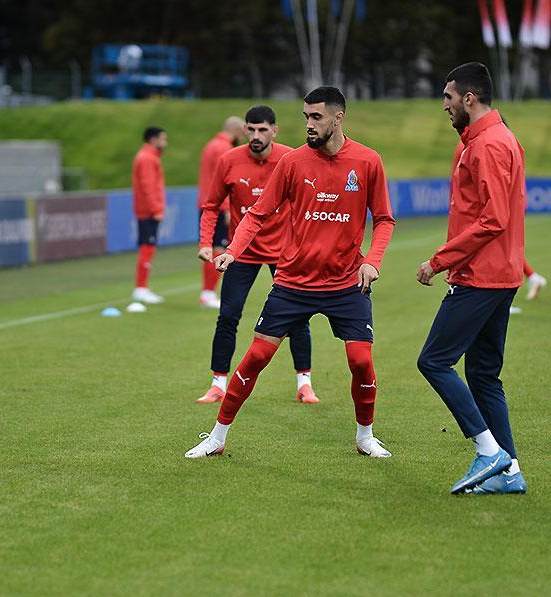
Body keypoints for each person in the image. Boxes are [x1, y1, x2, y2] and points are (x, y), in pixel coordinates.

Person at [185, 87, 395, 459]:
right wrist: (233, 251)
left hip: (346, 281)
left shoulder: (367, 161)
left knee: (361, 361)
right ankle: (217, 437)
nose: (309, 124)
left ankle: (365, 436)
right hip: (294, 282)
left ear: (337, 118)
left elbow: (383, 219)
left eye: (316, 117)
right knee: (256, 357)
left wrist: (372, 261)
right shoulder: (293, 162)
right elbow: (258, 214)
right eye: (306, 117)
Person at [417, 63, 527, 494]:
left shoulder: (489, 144)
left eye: (448, 97)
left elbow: (493, 218)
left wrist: (439, 260)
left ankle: (489, 451)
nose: (444, 105)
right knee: (483, 375)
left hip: (482, 276)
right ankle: (510, 473)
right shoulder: (489, 139)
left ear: (469, 98)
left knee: (433, 360)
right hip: (499, 274)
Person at [197, 105, 318, 405]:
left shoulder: (291, 158)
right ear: (244, 130)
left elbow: (309, 203)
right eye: (251, 129)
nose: (255, 135)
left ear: (274, 131)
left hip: (285, 253)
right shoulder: (229, 160)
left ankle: (304, 383)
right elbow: (211, 206)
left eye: (262, 129)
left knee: (298, 318)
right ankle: (218, 383)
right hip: (242, 251)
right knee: (228, 316)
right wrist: (205, 242)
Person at [197, 116, 245, 309]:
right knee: (218, 248)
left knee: (213, 246)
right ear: (236, 130)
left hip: (205, 202)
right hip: (218, 206)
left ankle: (208, 292)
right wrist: (226, 208)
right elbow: (223, 182)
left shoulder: (211, 145)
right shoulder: (224, 149)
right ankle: (208, 293)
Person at [131, 126, 167, 304]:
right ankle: (140, 288)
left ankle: (142, 288)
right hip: (148, 211)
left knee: (148, 248)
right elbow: (148, 186)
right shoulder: (147, 158)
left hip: (147, 210)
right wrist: (155, 209)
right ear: (153, 139)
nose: (165, 142)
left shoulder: (149, 157)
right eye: (163, 139)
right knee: (147, 249)